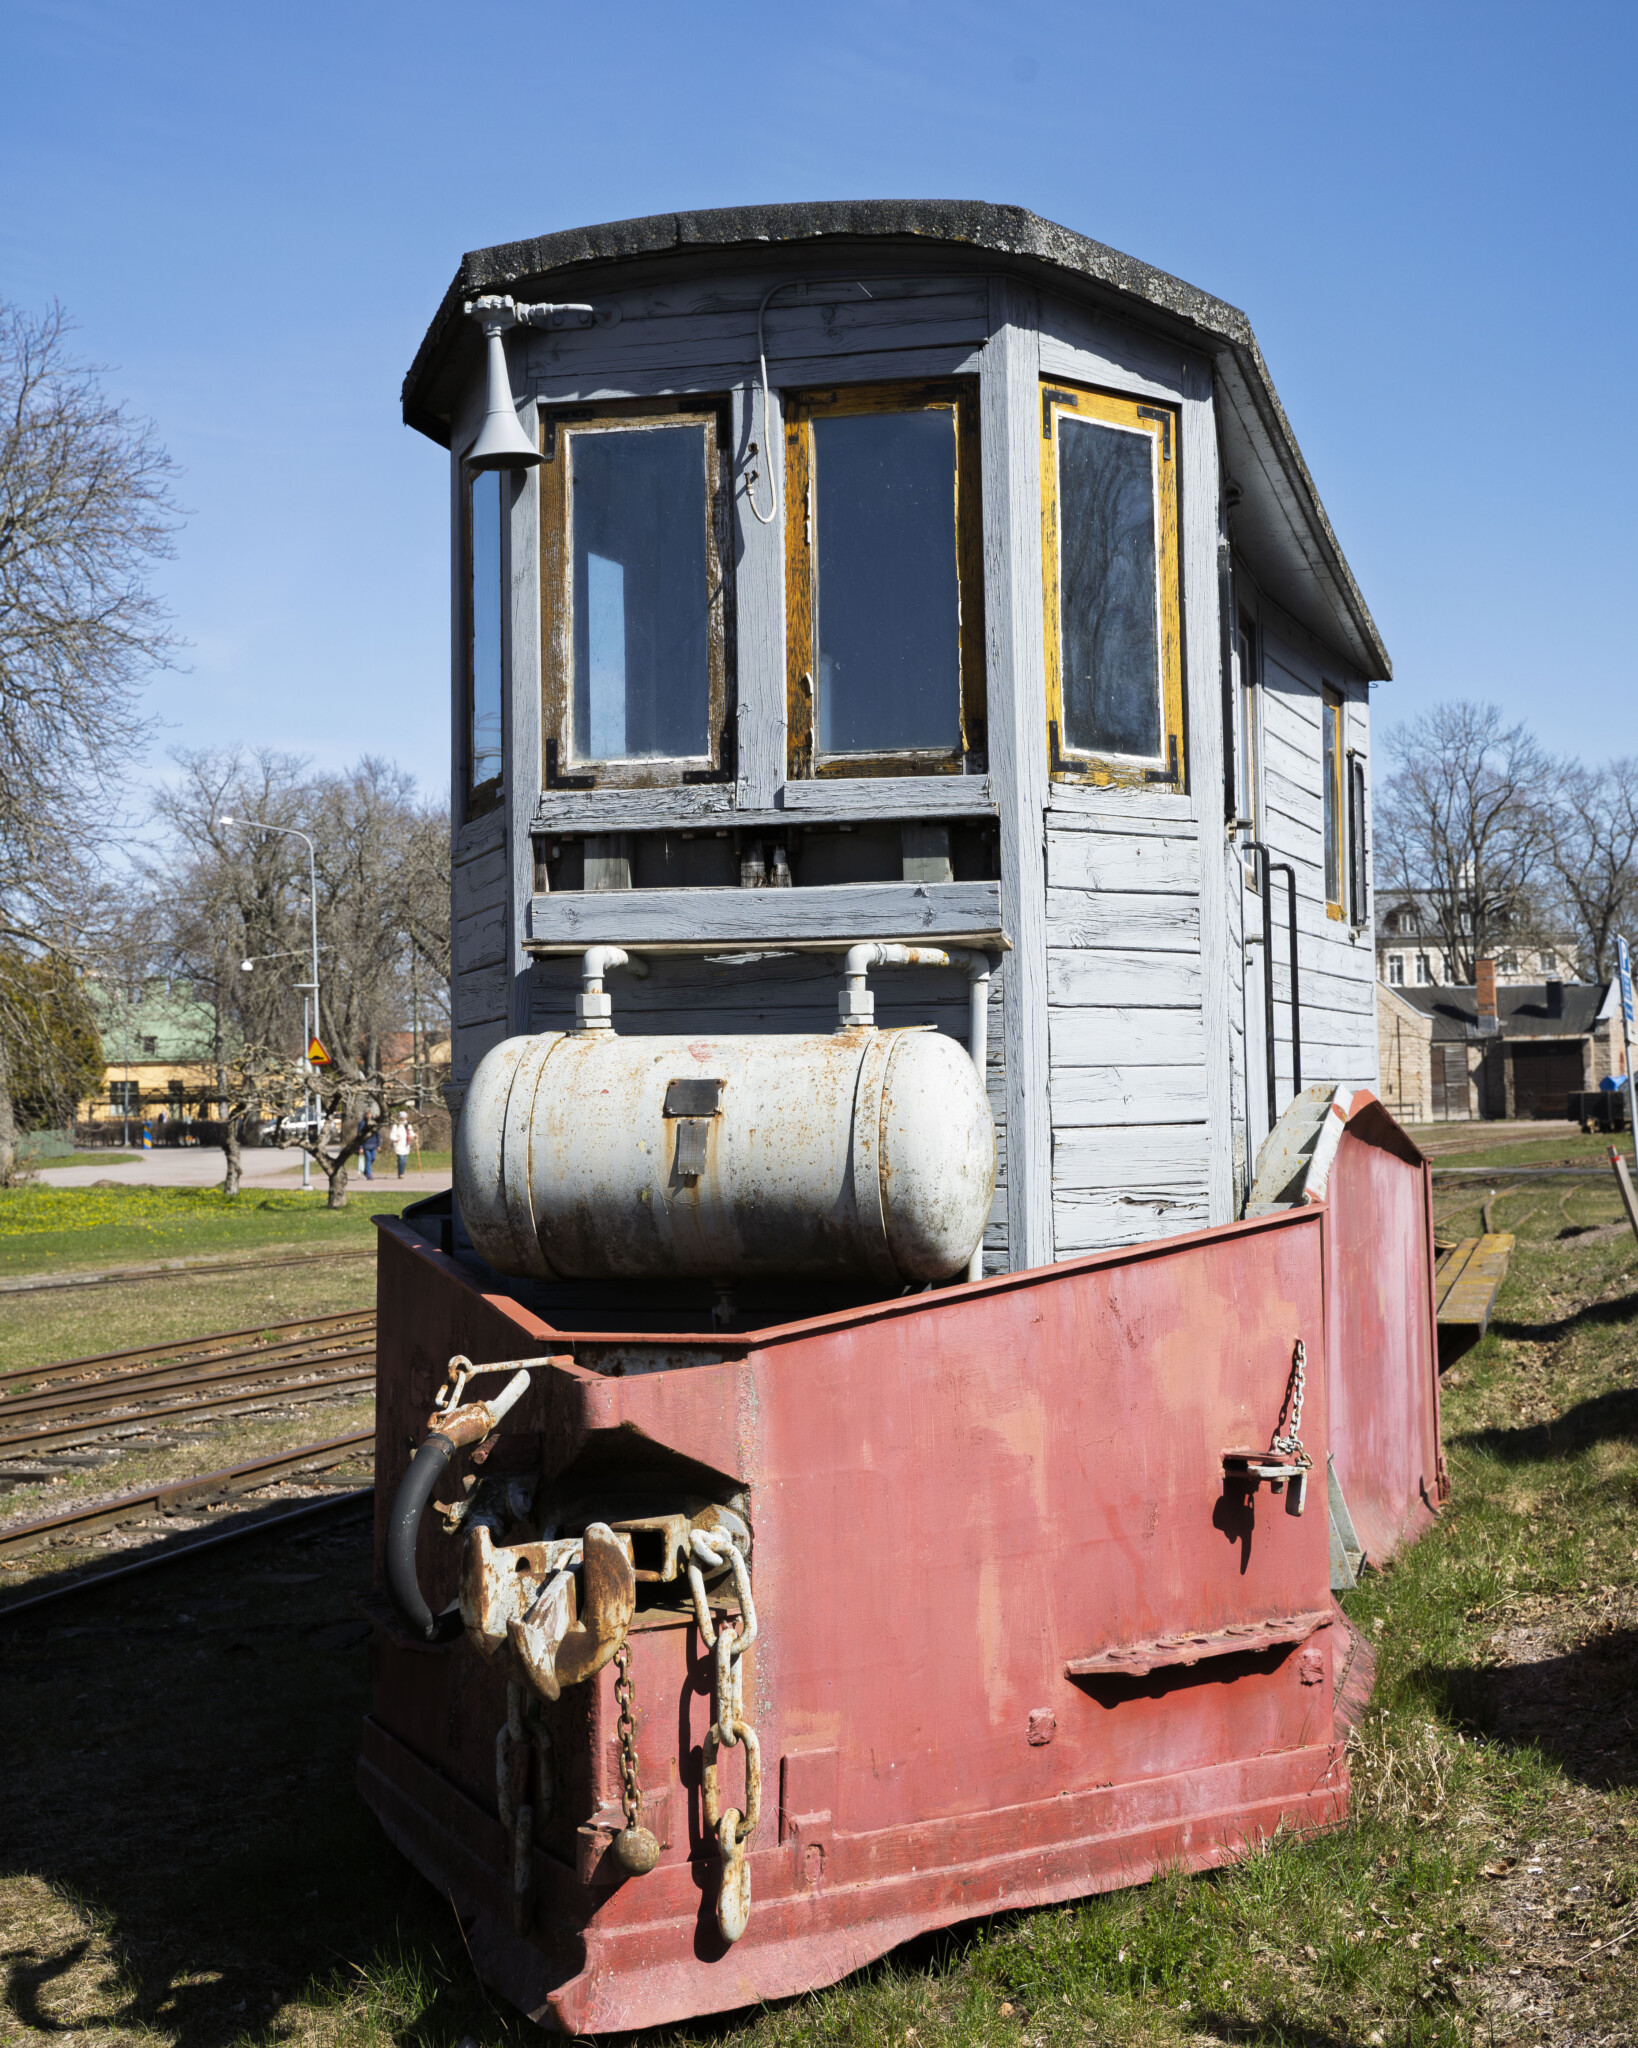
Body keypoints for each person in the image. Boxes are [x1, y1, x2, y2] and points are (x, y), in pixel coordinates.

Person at [389, 1113, 415, 1178]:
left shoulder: (408, 1125)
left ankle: (402, 1172)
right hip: (398, 1145)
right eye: (402, 1117)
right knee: (400, 1159)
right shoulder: (396, 1125)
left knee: (404, 1160)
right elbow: (392, 1135)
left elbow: (411, 1133)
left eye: (405, 1117)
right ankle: (400, 1174)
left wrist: (414, 1136)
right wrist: (396, 1139)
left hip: (406, 1145)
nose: (403, 1118)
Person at [359, 1112, 380, 1180]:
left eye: (369, 1114)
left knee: (373, 1158)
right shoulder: (362, 1123)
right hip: (366, 1145)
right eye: (367, 1114)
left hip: (373, 1144)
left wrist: (378, 1144)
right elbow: (359, 1136)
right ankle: (369, 1175)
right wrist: (361, 1147)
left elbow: (377, 1134)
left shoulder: (374, 1123)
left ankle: (366, 1171)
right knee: (368, 1159)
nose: (368, 1116)